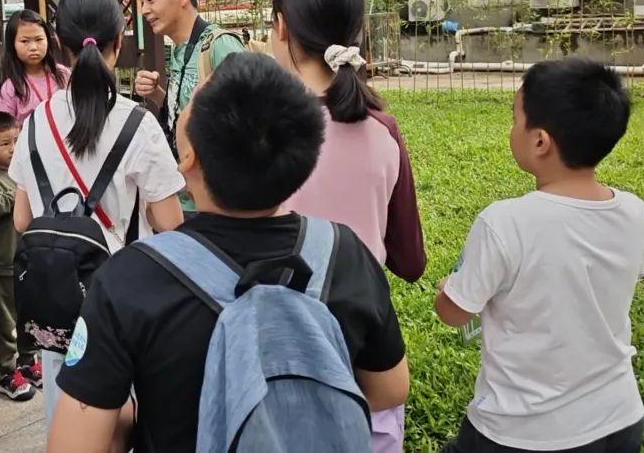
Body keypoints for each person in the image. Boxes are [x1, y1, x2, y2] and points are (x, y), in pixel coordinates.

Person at [48, 53, 411, 453]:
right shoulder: (344, 254)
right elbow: (390, 387)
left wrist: (135, 416)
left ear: (189, 158)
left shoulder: (130, 278)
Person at [436, 58, 644, 453]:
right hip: (620, 419)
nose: (511, 128)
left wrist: (448, 288)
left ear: (540, 141)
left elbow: (454, 313)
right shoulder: (635, 212)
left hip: (521, 432)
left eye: (515, 118)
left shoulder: (504, 222)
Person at [10, 0, 185, 428]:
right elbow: (170, 222)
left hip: (59, 301)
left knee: (66, 417)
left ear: (59, 44)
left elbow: (22, 218)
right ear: (118, 42)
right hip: (126, 298)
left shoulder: (34, 123)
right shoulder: (139, 124)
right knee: (128, 420)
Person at [271, 0, 426, 451]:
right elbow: (410, 260)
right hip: (368, 347)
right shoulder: (384, 129)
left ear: (282, 29)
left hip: (283, 346)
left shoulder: (267, 134)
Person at [132, 0, 245, 210]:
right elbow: (188, 110)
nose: (144, 10)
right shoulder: (179, 49)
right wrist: (158, 94)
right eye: (141, 2)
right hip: (186, 196)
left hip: (218, 201)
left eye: (150, 0)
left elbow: (249, 121)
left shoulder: (220, 45)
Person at [0, 111, 38, 401]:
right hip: (4, 262)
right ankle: (5, 371)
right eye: (5, 144)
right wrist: (22, 189)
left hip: (29, 261)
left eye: (16, 140)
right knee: (5, 320)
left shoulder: (28, 174)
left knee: (29, 314)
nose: (13, 149)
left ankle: (28, 361)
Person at [0, 9, 69, 125]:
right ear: (12, 44)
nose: (33, 47)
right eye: (24, 41)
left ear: (48, 39)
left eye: (39, 39)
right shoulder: (9, 90)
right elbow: (0, 130)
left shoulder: (64, 75)